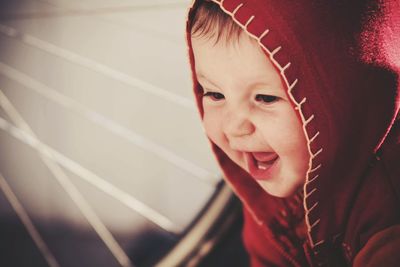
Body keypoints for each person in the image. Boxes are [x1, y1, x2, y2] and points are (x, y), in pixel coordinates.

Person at [185, 0, 400, 266]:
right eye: (215, 94)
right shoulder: (269, 198)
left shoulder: (387, 217)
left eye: (265, 98)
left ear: (343, 99)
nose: (234, 127)